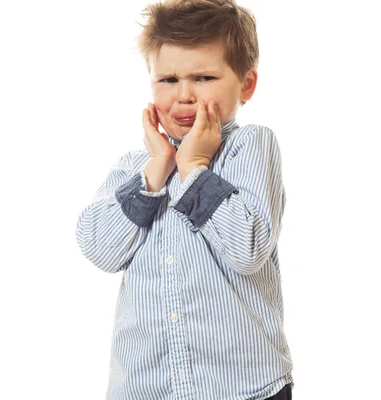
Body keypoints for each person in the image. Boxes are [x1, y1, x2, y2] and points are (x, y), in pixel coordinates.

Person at [74, 1, 294, 399]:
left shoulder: (251, 146)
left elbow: (248, 247)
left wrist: (193, 167)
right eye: (169, 79)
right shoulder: (136, 167)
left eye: (205, 77)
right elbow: (99, 249)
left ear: (246, 84)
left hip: (242, 387)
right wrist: (159, 168)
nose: (185, 95)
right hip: (146, 388)